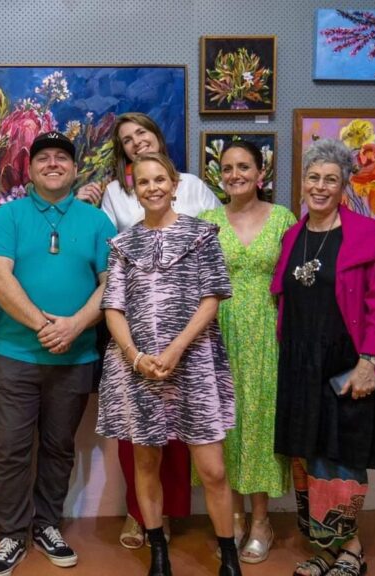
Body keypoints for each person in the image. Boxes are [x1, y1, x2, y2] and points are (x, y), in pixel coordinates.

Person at [79, 111, 221, 547]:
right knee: (141, 441)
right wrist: (135, 353)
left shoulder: (194, 188)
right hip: (136, 335)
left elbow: (217, 250)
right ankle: (142, 516)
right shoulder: (113, 195)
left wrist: (182, 340)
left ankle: (173, 514)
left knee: (189, 438)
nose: (136, 141)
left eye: (142, 132)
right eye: (126, 139)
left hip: (189, 335)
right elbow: (109, 260)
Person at [96, 152, 241, 576]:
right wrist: (135, 356)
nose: (153, 187)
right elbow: (113, 308)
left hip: (194, 364)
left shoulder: (202, 235)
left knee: (213, 469)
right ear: (135, 190)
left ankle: (228, 556)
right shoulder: (122, 245)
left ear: (174, 184)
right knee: (146, 463)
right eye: (143, 182)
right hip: (139, 371)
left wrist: (176, 349)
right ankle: (158, 550)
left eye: (160, 179)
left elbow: (211, 299)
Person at [0, 131, 116, 576]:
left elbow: (111, 284)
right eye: (43, 158)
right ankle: (11, 533)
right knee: (11, 450)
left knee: (59, 448)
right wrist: (44, 326)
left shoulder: (97, 222)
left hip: (75, 357)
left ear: (75, 169)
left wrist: (74, 326)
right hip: (16, 354)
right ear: (31, 169)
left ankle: (47, 525)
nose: (53, 163)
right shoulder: (9, 216)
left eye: (62, 157)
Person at [271, 139, 375, 576]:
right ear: (303, 183)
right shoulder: (293, 235)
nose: (320, 186)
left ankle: (352, 551)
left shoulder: (365, 233)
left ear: (344, 184)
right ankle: (326, 547)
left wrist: (368, 362)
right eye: (313, 177)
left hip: (348, 363)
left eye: (331, 179)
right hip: (300, 363)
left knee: (341, 457)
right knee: (307, 457)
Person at [198, 141, 295, 563]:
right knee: (225, 426)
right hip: (216, 333)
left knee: (260, 424)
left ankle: (261, 521)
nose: (235, 174)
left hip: (267, 335)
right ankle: (232, 517)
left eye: (243, 167)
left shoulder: (283, 219)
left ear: (260, 173)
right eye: (227, 168)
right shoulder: (207, 222)